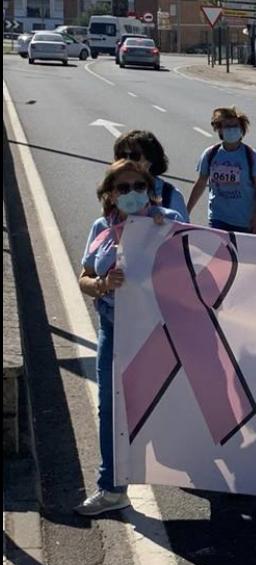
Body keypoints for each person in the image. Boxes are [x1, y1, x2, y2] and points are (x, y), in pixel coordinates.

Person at [75, 161, 184, 516]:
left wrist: (167, 230)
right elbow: (84, 278)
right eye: (123, 188)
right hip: (113, 326)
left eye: (139, 186)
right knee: (110, 407)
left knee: (168, 404)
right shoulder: (101, 228)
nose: (132, 193)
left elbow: (201, 255)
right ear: (109, 194)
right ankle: (112, 488)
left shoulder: (165, 219)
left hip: (157, 332)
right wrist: (103, 285)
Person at [187, 106, 256, 234]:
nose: (232, 130)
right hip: (218, 218)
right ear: (220, 130)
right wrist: (187, 211)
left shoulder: (252, 156)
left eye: (235, 126)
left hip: (244, 221)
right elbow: (200, 184)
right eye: (227, 127)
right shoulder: (210, 154)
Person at [112, 129, 187, 221]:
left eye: (134, 156)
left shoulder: (170, 195)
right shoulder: (113, 191)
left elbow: (185, 233)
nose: (127, 162)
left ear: (150, 160)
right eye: (121, 156)